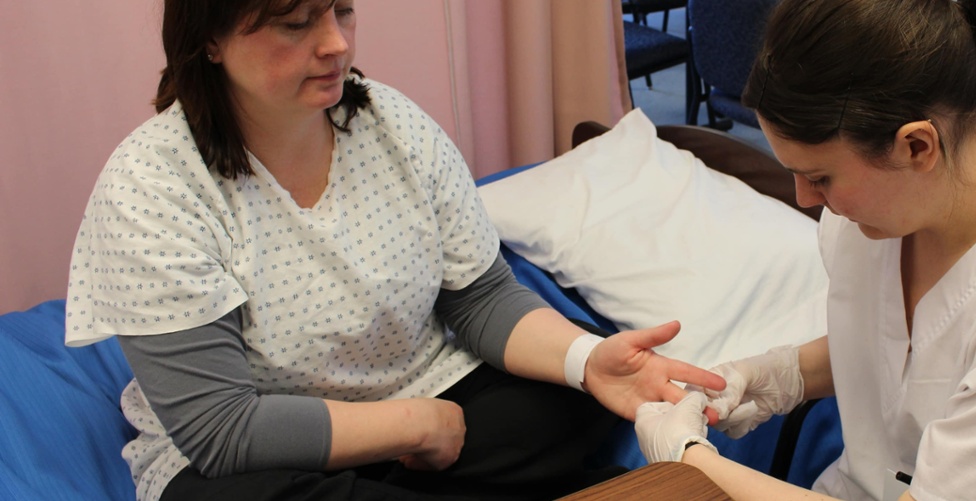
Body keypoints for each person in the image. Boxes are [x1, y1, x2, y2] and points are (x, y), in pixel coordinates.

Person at [63, 1, 725, 500]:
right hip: (264, 448)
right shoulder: (153, 187)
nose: (335, 43)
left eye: (342, 10)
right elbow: (223, 429)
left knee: (577, 383)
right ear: (209, 38)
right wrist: (411, 425)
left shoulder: (390, 123)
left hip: (429, 386)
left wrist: (588, 362)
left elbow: (482, 297)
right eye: (295, 23)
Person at [634, 0, 976, 499]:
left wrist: (692, 463)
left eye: (821, 176)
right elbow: (914, 353)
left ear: (917, 145)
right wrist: (784, 373)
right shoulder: (893, 207)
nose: (807, 200)